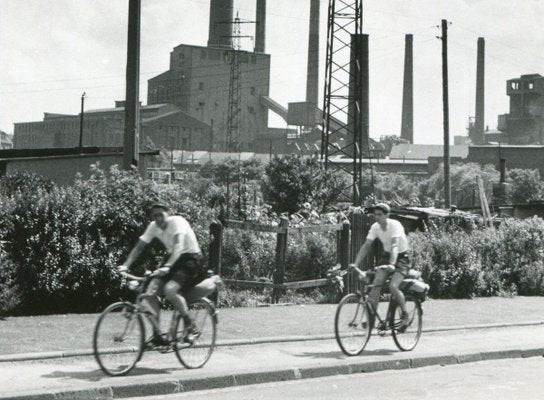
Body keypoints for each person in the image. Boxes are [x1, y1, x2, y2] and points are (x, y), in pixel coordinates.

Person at [118, 202, 205, 345]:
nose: (158, 218)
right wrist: (125, 265)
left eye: (161, 214)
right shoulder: (153, 226)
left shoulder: (177, 222)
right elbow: (139, 248)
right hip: (173, 258)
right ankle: (158, 336)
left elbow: (178, 247)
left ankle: (191, 326)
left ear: (168, 213)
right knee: (150, 291)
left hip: (191, 258)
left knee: (170, 290)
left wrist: (168, 266)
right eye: (154, 215)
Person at [351, 203, 411, 330]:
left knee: (393, 286)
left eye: (379, 214)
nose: (376, 217)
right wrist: (356, 263)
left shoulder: (395, 225)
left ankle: (405, 315)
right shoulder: (375, 227)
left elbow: (395, 245)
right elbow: (366, 245)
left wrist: (392, 264)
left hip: (401, 258)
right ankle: (370, 316)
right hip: (387, 256)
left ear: (387, 215)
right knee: (376, 285)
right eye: (375, 214)